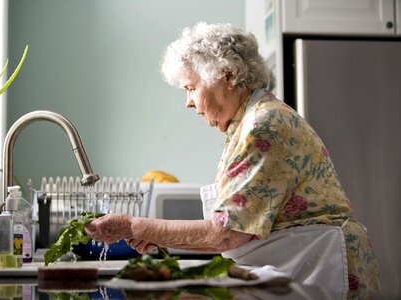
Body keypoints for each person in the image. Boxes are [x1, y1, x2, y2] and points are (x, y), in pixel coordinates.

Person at [85, 22, 380, 298]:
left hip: (317, 268)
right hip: (297, 265)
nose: (188, 102)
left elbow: (226, 234)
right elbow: (230, 227)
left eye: (191, 88)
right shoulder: (246, 124)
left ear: (226, 75)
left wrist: (134, 226)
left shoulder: (264, 125)